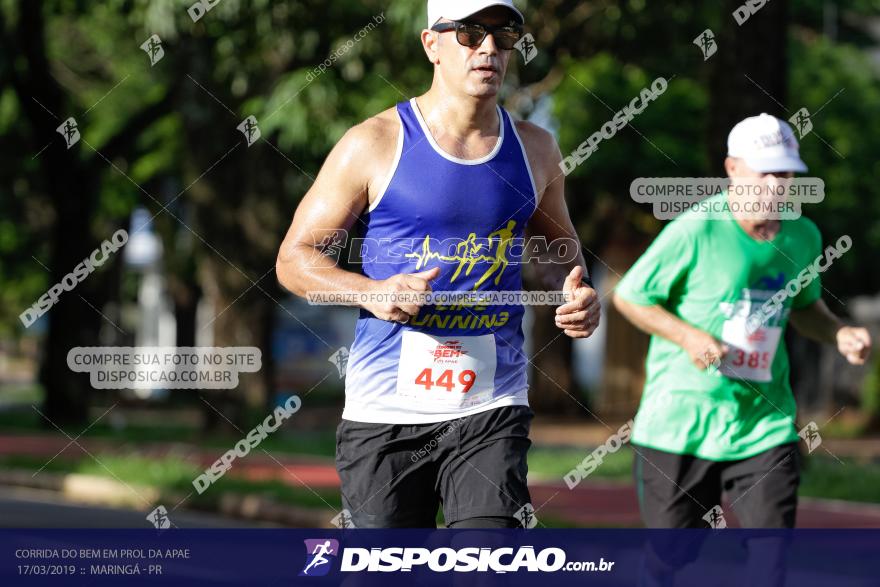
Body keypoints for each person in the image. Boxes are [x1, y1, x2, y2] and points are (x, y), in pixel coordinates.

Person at [276, 0, 600, 528]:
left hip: (491, 406)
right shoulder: (374, 143)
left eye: (503, 34)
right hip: (387, 413)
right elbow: (294, 260)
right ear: (432, 44)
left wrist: (574, 295)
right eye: (470, 34)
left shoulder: (537, 149)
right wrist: (373, 292)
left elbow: (556, 254)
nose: (489, 48)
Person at [613, 113, 872, 532]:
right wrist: (689, 337)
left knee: (771, 555)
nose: (775, 185)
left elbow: (806, 308)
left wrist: (839, 332)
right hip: (682, 425)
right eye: (764, 172)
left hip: (763, 423)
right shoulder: (697, 229)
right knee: (672, 556)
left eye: (784, 173)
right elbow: (630, 296)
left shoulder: (802, 235)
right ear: (733, 168)